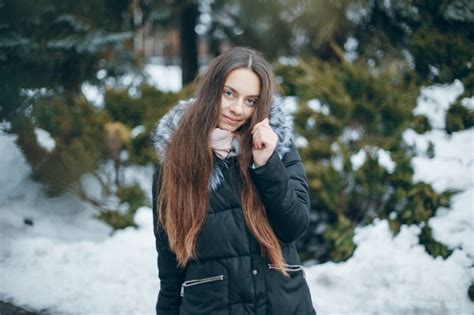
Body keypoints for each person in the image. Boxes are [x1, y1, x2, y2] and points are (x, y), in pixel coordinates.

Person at [151, 47, 316, 315]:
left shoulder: (276, 145)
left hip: (280, 304)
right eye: (229, 93)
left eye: (250, 100)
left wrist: (266, 164)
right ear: (212, 89)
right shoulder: (176, 155)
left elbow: (294, 227)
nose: (237, 109)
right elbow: (169, 258)